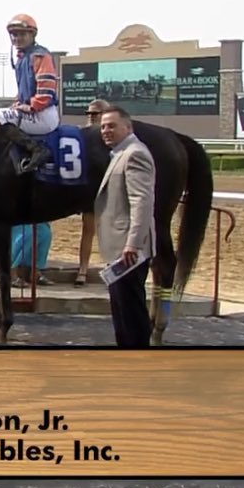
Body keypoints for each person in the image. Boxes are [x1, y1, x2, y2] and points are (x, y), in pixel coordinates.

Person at [95, 105, 156, 348]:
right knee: (122, 311)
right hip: (119, 247)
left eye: (112, 126)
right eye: (103, 127)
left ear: (128, 127)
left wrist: (132, 243)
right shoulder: (120, 153)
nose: (106, 131)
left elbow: (141, 202)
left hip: (128, 250)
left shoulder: (135, 154)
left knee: (130, 312)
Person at [0, 13, 61, 174]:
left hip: (43, 114)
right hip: (32, 111)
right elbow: (24, 91)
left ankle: (37, 150)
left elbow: (46, 91)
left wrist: (30, 107)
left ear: (32, 35)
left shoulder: (40, 55)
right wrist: (18, 103)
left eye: (22, 34)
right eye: (14, 34)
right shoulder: (22, 58)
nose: (17, 38)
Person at [76, 99, 111, 286]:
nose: (90, 117)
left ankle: (111, 268)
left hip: (110, 193)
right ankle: (82, 270)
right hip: (91, 191)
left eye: (94, 114)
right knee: (88, 231)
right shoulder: (82, 134)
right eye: (89, 114)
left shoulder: (113, 137)